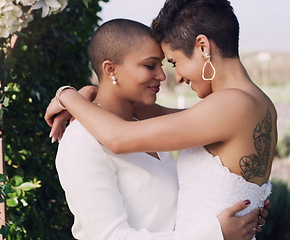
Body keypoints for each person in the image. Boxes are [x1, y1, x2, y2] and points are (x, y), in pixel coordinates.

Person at [45, 0, 276, 239]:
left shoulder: (233, 105)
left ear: (203, 46)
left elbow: (118, 138)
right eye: (150, 65)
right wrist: (90, 93)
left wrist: (67, 96)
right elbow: (158, 115)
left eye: (174, 62)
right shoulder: (254, 102)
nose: (174, 77)